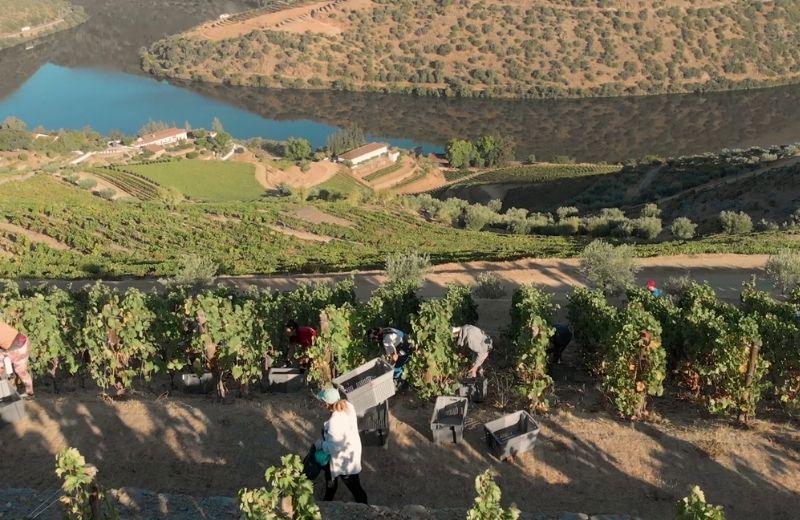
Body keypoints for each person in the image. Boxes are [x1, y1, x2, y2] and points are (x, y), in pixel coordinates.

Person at [314, 387, 368, 504]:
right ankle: (327, 501)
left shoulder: (335, 421)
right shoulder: (347, 406)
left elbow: (334, 447)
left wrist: (321, 444)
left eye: (323, 402)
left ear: (327, 403)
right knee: (331, 480)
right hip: (351, 451)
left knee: (355, 487)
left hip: (344, 459)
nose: (322, 404)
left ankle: (366, 509)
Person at [0, 320, 33, 399]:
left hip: (18, 347)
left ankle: (9, 393)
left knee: (19, 371)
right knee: (21, 371)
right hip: (22, 340)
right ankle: (29, 394)